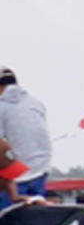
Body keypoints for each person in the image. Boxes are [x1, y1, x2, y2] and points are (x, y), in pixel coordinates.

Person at [0, 67, 52, 202]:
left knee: (8, 219)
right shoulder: (35, 103)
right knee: (34, 217)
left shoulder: (1, 106)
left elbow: (1, 146)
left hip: (14, 175)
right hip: (40, 169)